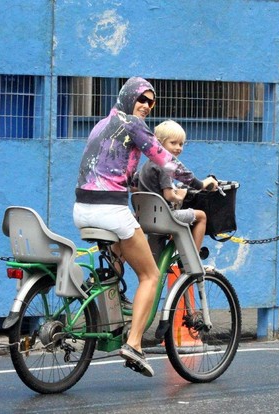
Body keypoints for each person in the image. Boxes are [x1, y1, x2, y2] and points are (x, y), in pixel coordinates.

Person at [73, 77, 217, 377]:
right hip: (109, 209)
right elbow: (167, 162)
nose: (147, 106)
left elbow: (111, 167)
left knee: (117, 255)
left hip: (81, 209)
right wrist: (200, 184)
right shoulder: (133, 126)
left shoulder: (102, 124)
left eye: (151, 102)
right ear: (128, 97)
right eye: (142, 99)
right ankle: (134, 343)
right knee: (150, 274)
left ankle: (112, 299)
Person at [133, 119, 207, 253]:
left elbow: (135, 188)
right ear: (159, 143)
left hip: (145, 217)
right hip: (163, 218)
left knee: (155, 267)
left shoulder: (145, 167)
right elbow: (169, 195)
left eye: (181, 144)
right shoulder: (165, 166)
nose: (178, 147)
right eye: (173, 143)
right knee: (201, 216)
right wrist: (180, 195)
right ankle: (194, 259)